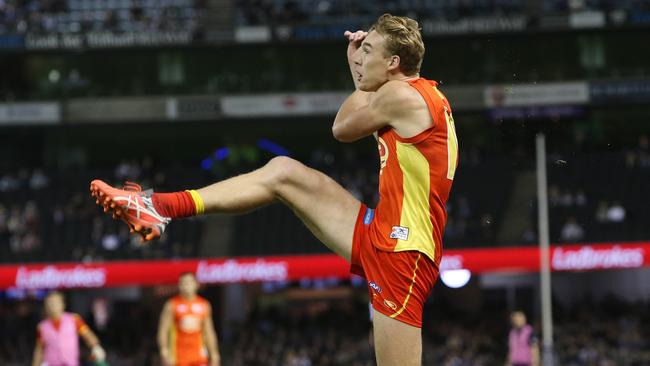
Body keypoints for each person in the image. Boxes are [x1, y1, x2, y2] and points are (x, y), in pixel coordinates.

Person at [90, 13, 458, 366]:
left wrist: (356, 74)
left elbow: (342, 127)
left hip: (403, 254)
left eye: (368, 49)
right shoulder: (417, 94)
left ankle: (159, 207)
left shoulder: (400, 95)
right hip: (384, 232)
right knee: (283, 172)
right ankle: (160, 206)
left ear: (393, 62)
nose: (359, 53)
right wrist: (363, 73)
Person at [158, 272, 221, 366]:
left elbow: (209, 332)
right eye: (183, 283)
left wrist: (215, 354)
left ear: (196, 284)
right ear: (179, 286)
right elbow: (163, 330)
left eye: (188, 283)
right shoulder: (171, 305)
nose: (186, 286)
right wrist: (164, 351)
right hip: (178, 358)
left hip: (199, 357)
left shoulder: (204, 305)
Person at [32, 291, 106, 366]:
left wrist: (96, 346)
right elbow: (39, 349)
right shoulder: (42, 326)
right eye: (49, 303)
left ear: (63, 304)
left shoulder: (74, 319)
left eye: (55, 303)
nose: (52, 306)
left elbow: (87, 335)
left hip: (71, 363)